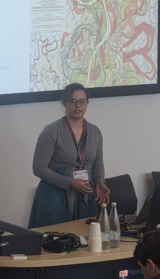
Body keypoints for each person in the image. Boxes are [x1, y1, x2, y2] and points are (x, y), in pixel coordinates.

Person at [28, 82, 110, 228]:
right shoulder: (51, 131)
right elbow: (38, 168)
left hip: (84, 195)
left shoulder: (95, 132)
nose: (77, 105)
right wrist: (69, 183)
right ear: (65, 104)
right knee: (55, 242)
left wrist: (99, 182)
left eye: (82, 101)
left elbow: (97, 164)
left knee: (84, 240)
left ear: (87, 104)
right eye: (72, 101)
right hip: (55, 195)